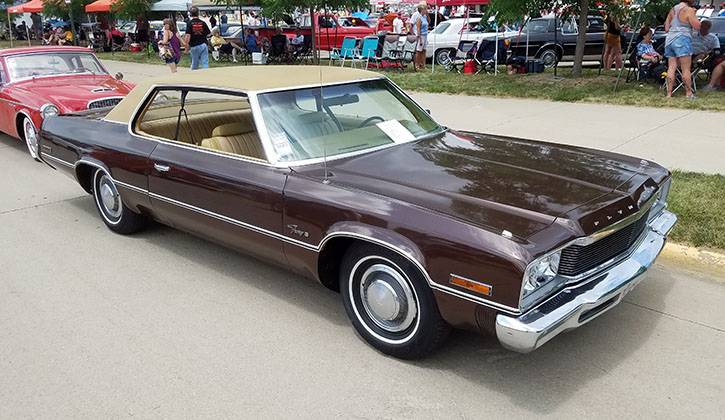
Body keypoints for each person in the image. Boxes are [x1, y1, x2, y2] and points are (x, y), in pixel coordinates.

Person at [664, 0, 701, 98]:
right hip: (682, 39)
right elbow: (697, 26)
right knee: (685, 68)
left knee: (671, 67)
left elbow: (666, 28)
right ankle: (688, 92)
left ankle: (669, 93)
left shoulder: (672, 10)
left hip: (670, 39)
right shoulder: (689, 10)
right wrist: (695, 15)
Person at [409, 2, 429, 70]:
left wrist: (428, 15)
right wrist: (419, 38)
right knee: (418, 50)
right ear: (421, 9)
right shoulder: (418, 17)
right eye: (425, 8)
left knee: (424, 50)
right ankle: (417, 64)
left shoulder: (425, 16)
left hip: (425, 34)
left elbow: (428, 22)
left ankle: (423, 64)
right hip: (420, 35)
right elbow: (418, 28)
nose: (426, 10)